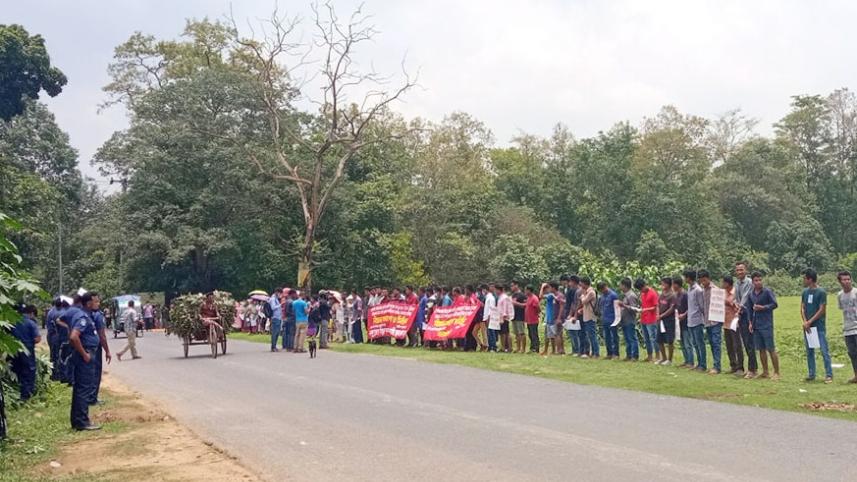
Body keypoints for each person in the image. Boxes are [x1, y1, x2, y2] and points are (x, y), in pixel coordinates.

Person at [68, 292, 102, 431]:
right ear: (89, 303)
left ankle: (78, 420)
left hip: (85, 354)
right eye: (96, 301)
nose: (98, 304)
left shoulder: (84, 315)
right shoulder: (82, 317)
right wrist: (85, 354)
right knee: (84, 389)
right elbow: (74, 337)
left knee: (80, 388)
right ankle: (82, 421)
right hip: (85, 356)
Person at [801, 268, 832, 383]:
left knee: (824, 351)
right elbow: (802, 308)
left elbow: (822, 310)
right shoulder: (805, 292)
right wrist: (805, 322)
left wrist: (810, 321)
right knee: (810, 351)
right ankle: (811, 374)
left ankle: (829, 374)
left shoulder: (821, 292)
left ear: (810, 279)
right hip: (808, 327)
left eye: (805, 278)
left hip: (818, 326)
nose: (803, 280)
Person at [748, 271, 780, 380]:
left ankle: (776, 372)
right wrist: (750, 323)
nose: (758, 282)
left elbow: (774, 304)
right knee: (761, 349)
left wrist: (763, 307)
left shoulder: (767, 292)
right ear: (752, 282)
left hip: (766, 324)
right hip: (756, 324)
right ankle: (765, 371)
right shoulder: (751, 294)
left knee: (771, 348)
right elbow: (749, 309)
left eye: (760, 280)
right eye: (756, 280)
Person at [11, 304, 41, 401]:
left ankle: (16, 390)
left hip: (14, 349)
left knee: (17, 369)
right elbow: (37, 339)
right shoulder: (31, 323)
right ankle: (26, 394)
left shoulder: (13, 322)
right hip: (27, 350)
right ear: (31, 313)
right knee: (29, 371)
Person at [734, 261, 757, 378]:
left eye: (741, 270)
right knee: (744, 341)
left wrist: (739, 308)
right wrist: (736, 306)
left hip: (748, 314)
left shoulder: (748, 283)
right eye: (737, 270)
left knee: (749, 343)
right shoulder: (737, 283)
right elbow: (736, 298)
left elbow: (745, 298)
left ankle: (752, 370)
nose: (739, 272)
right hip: (741, 314)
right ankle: (753, 368)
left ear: (746, 271)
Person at [835, 271, 857, 383]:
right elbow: (842, 309)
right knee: (852, 353)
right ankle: (856, 375)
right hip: (848, 328)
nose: (847, 281)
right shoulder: (840, 295)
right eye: (844, 279)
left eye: (848, 279)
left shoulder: (856, 292)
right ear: (839, 281)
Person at [700, 270, 723, 375]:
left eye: (704, 280)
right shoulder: (703, 290)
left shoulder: (715, 290)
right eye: (701, 280)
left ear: (708, 278)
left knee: (716, 343)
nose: (703, 282)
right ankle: (715, 365)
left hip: (716, 321)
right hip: (707, 321)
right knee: (712, 344)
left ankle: (717, 366)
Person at [685, 270, 707, 372]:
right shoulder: (689, 288)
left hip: (697, 320)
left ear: (689, 278)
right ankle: (698, 363)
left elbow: (701, 305)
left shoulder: (698, 290)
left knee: (700, 343)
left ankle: (703, 364)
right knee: (694, 343)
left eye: (686, 277)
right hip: (690, 320)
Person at [90, 304, 112, 405]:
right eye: (96, 301)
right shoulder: (98, 316)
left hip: (84, 346)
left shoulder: (83, 313)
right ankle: (93, 398)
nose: (98, 303)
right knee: (95, 372)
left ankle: (89, 396)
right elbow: (102, 335)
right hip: (95, 347)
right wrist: (107, 351)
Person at [722, 276, 743, 376]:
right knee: (729, 346)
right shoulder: (723, 293)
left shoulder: (735, 292)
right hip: (725, 323)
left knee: (737, 345)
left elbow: (737, 306)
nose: (722, 284)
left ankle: (740, 367)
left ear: (728, 283)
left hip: (734, 323)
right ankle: (733, 365)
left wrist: (729, 303)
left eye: (724, 283)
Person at [636, 278, 659, 363]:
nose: (641, 291)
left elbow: (655, 307)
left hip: (651, 319)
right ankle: (649, 355)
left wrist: (645, 310)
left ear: (644, 285)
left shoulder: (652, 293)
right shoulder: (642, 294)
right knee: (646, 339)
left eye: (641, 289)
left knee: (653, 338)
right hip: (644, 319)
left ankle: (657, 355)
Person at [656, 277, 676, 366]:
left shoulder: (672, 295)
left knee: (669, 340)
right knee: (659, 339)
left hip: (669, 320)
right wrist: (658, 314)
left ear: (668, 284)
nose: (662, 285)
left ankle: (669, 359)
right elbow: (658, 305)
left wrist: (662, 315)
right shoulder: (661, 294)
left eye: (663, 283)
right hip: (660, 320)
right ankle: (663, 358)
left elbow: (671, 309)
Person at [673, 277, 692, 367]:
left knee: (687, 342)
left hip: (686, 321)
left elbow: (690, 307)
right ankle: (686, 360)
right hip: (678, 322)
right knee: (682, 342)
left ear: (677, 284)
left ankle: (690, 361)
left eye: (674, 284)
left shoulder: (685, 294)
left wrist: (684, 315)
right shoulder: (676, 295)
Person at [618, 278, 639, 361]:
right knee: (627, 338)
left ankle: (635, 355)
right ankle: (629, 355)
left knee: (632, 338)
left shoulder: (631, 296)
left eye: (621, 285)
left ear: (624, 285)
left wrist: (624, 305)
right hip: (624, 320)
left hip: (630, 320)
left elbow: (634, 308)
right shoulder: (625, 295)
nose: (620, 286)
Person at [598, 282, 619, 359]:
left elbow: (617, 308)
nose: (603, 291)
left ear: (606, 286)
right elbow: (601, 306)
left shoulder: (613, 295)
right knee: (607, 337)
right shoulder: (602, 296)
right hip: (605, 319)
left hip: (612, 319)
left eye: (603, 289)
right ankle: (609, 353)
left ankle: (616, 353)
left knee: (614, 337)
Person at [564, 276, 583, 356]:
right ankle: (574, 349)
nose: (569, 283)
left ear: (573, 282)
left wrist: (573, 315)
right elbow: (573, 303)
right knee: (572, 331)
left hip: (577, 313)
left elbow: (577, 304)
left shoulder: (578, 291)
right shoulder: (573, 290)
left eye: (570, 281)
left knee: (576, 332)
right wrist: (570, 314)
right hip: (573, 313)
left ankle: (577, 350)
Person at [540, 282, 560, 356]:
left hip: (551, 318)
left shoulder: (551, 295)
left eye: (549, 287)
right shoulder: (552, 295)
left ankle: (553, 350)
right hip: (549, 318)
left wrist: (542, 287)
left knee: (551, 336)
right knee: (549, 336)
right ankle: (550, 350)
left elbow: (540, 296)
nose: (548, 289)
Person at [510, 282, 527, 353]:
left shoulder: (522, 295)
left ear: (517, 285)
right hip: (514, 316)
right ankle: (518, 348)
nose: (511, 287)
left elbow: (526, 304)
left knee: (521, 333)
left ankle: (523, 349)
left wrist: (516, 303)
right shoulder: (513, 295)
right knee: (516, 333)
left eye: (512, 286)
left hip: (520, 316)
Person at [524, 285, 541, 353]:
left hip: (533, 320)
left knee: (534, 335)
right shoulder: (528, 298)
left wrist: (536, 314)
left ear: (529, 290)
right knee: (530, 334)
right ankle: (532, 347)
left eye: (526, 290)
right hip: (529, 320)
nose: (525, 291)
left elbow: (538, 308)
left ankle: (536, 348)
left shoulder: (534, 298)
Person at [497, 285, 513, 352]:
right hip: (500, 317)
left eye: (496, 290)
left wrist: (503, 317)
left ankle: (508, 347)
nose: (495, 291)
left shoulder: (504, 297)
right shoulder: (500, 297)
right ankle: (503, 347)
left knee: (505, 333)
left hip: (504, 318)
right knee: (502, 333)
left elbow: (505, 308)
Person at [268, 288, 283, 352]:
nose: (280, 295)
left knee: (277, 333)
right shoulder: (273, 299)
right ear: (277, 292)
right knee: (275, 333)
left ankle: (274, 346)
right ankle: (273, 347)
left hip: (278, 317)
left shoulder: (276, 299)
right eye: (280, 293)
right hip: (275, 317)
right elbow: (273, 307)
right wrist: (280, 305)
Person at [482, 284, 496, 352]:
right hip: (486, 317)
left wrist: (489, 317)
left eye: (483, 290)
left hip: (489, 317)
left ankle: (493, 347)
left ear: (485, 289)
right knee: (488, 332)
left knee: (491, 332)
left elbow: (491, 308)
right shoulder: (487, 297)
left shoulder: (491, 298)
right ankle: (490, 346)